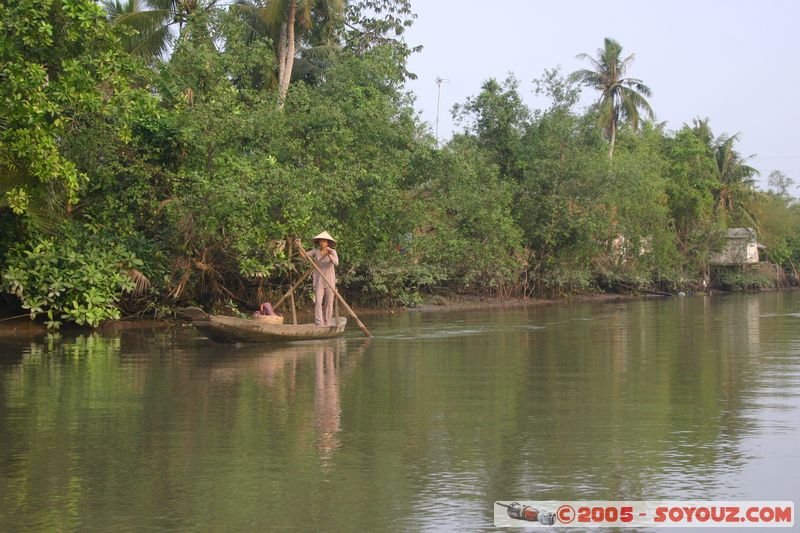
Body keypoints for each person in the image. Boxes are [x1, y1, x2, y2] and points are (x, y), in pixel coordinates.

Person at [308, 231, 339, 326]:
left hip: (330, 281)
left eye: (324, 241)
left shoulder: (332, 251)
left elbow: (336, 263)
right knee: (318, 302)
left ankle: (327, 322)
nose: (322, 242)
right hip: (319, 281)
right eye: (321, 241)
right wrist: (298, 245)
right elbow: (304, 255)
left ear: (327, 243)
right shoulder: (315, 251)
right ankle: (319, 323)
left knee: (329, 304)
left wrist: (329, 255)